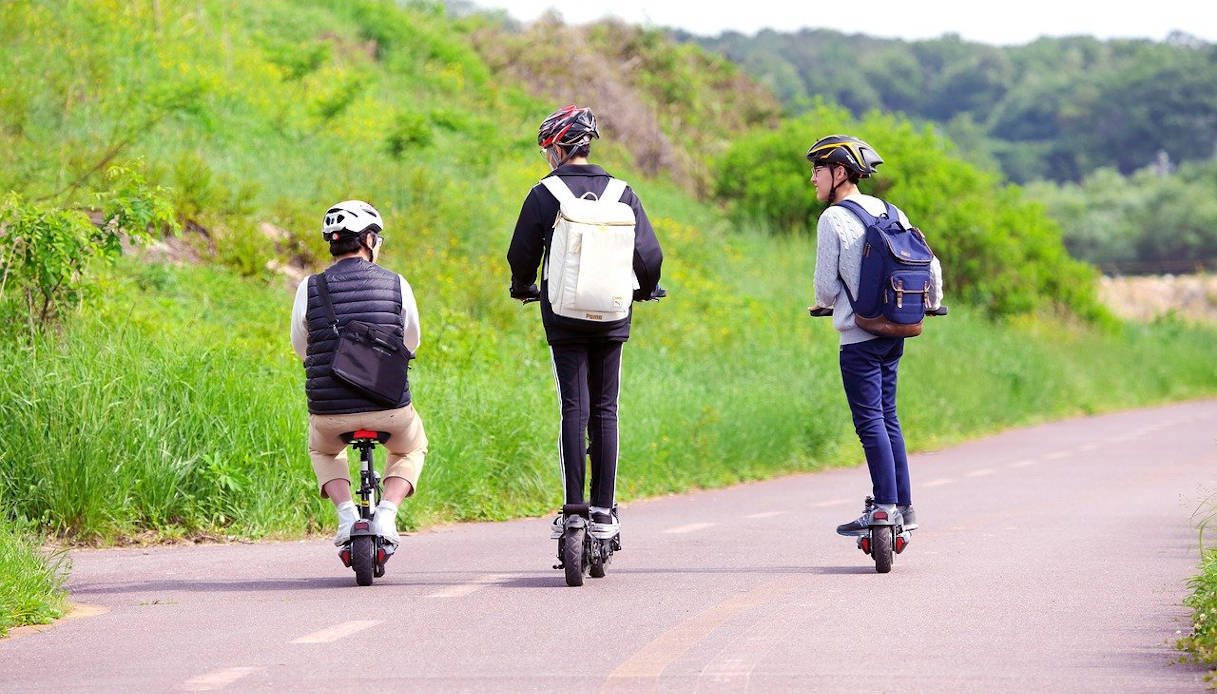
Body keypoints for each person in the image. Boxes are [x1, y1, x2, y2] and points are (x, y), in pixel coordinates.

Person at [507, 105, 664, 542]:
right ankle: (603, 511)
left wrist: (522, 286)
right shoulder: (622, 192)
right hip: (612, 314)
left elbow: (521, 254)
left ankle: (574, 508)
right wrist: (647, 288)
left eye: (547, 149)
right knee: (606, 409)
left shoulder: (544, 193)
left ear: (559, 148)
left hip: (563, 315)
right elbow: (649, 255)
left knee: (574, 408)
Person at [805, 135, 943, 535]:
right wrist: (932, 304)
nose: (813, 179)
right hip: (895, 328)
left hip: (859, 336)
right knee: (888, 417)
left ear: (840, 172)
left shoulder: (833, 218)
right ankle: (904, 507)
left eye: (817, 170)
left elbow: (825, 287)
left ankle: (883, 507)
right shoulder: (891, 210)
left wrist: (825, 303)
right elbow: (930, 264)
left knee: (869, 422)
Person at [290, 200, 428, 554]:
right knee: (411, 447)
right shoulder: (397, 283)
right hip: (388, 407)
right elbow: (411, 341)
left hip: (330, 411)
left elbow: (301, 346)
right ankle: (387, 514)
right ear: (368, 240)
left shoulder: (309, 286)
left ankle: (346, 515)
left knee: (323, 450)